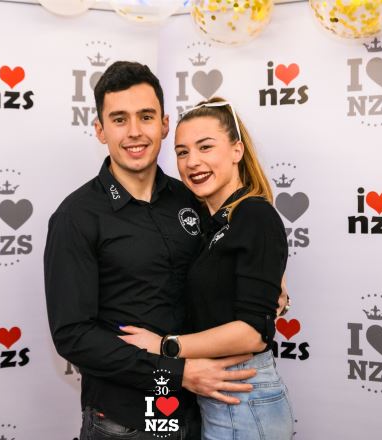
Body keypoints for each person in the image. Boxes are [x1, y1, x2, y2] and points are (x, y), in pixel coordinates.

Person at [44, 62, 266, 440]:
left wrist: (273, 286)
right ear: (100, 130)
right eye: (119, 119)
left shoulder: (193, 198)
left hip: (206, 413)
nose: (135, 131)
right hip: (126, 423)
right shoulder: (76, 217)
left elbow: (232, 265)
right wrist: (178, 373)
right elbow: (73, 335)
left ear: (163, 124)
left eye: (146, 117)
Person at [119, 97, 294, 440]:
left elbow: (253, 334)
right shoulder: (209, 221)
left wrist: (165, 346)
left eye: (205, 147)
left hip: (243, 397)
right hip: (218, 398)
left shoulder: (254, 215)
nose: (192, 162)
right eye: (182, 152)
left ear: (236, 150)